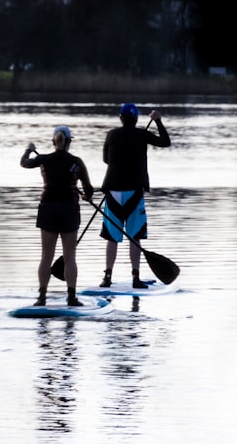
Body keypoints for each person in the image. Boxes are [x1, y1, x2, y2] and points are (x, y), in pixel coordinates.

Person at [20, 125, 96, 306]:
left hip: (48, 210)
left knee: (46, 256)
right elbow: (89, 190)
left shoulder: (43, 159)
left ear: (54, 142)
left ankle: (42, 298)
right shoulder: (77, 162)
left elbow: (24, 163)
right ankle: (71, 297)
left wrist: (29, 150)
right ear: (69, 142)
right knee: (70, 257)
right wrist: (86, 196)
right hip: (69, 210)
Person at [99, 103, 172, 288]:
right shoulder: (142, 134)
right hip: (134, 193)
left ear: (120, 118)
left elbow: (105, 159)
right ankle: (135, 277)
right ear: (136, 119)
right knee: (134, 237)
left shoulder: (111, 134)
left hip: (113, 192)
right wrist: (158, 121)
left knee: (112, 237)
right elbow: (165, 142)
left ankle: (107, 277)